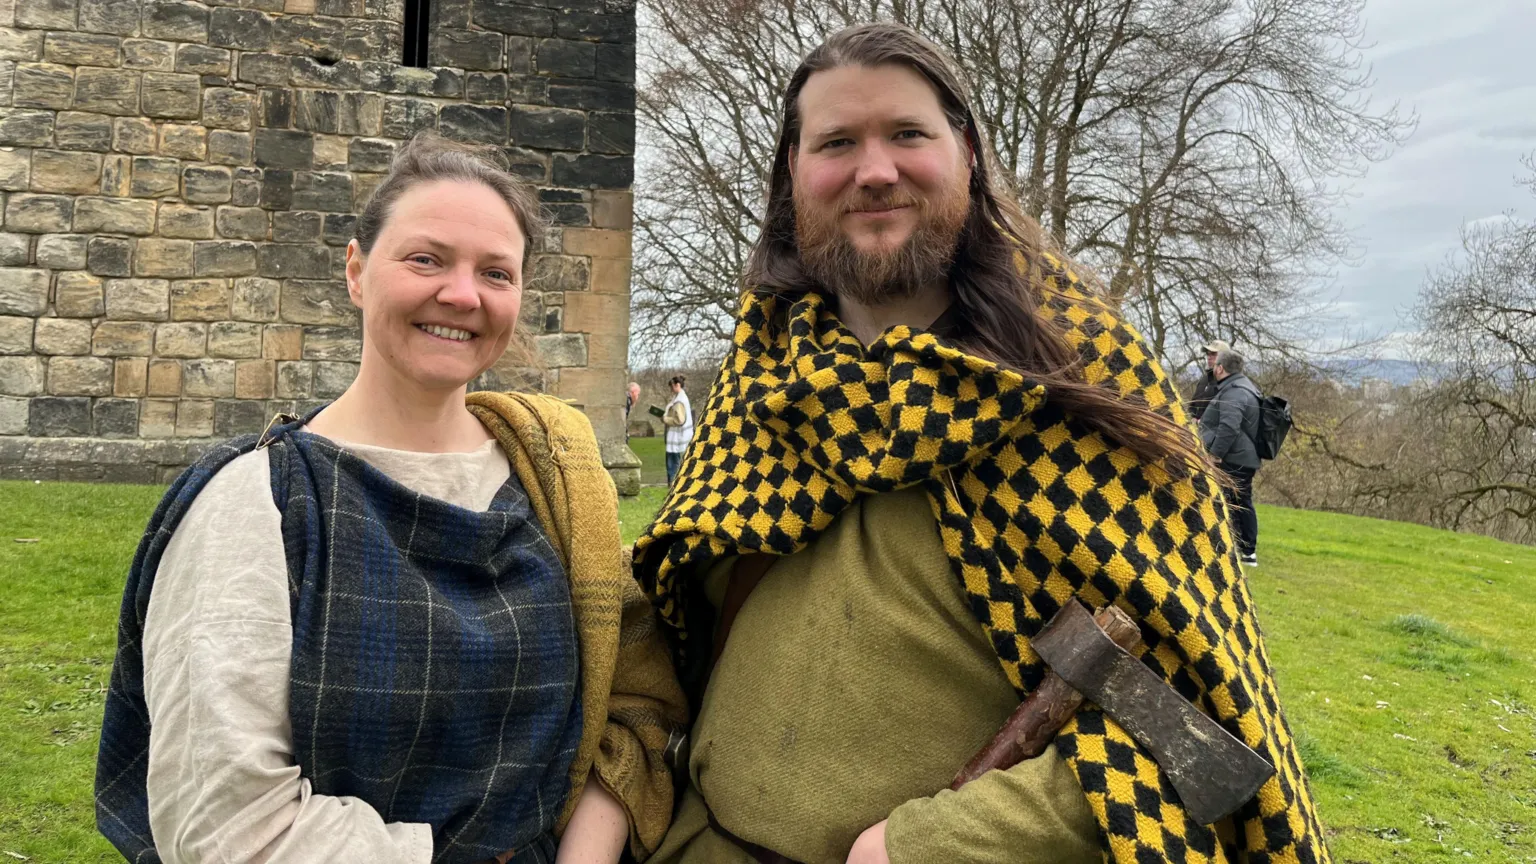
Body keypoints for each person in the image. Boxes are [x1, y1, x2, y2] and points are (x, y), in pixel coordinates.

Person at [633, 22, 1327, 864]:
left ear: (966, 150)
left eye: (907, 134)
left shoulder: (1084, 378)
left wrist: (931, 847)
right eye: (838, 142)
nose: (875, 169)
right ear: (793, 172)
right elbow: (674, 637)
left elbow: (1193, 737)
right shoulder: (764, 375)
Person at [95, 133, 687, 864]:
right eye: (426, 259)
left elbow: (630, 711)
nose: (462, 295)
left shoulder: (556, 483)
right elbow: (225, 827)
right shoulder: (257, 503)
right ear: (356, 270)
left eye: (495, 273)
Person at [1199, 348, 1263, 566]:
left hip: (1234, 459)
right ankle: (1242, 549)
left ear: (1220, 368)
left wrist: (1215, 454)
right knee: (1239, 501)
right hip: (1241, 457)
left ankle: (1244, 550)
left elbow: (1229, 426)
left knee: (1233, 502)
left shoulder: (1234, 392)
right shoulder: (1244, 387)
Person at [661, 375, 692, 485]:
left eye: (672, 387)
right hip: (680, 435)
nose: (671, 390)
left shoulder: (679, 401)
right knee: (676, 459)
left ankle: (673, 481)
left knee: (673, 460)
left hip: (677, 435)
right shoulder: (681, 398)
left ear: (677, 385)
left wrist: (665, 419)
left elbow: (679, 420)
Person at [1188, 338, 1229, 421]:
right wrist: (1192, 417)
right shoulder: (1205, 379)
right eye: (1208, 354)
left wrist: (1204, 422)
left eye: (1213, 354)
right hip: (1195, 431)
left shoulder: (1230, 383)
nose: (1209, 357)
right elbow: (1193, 406)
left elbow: (1228, 417)